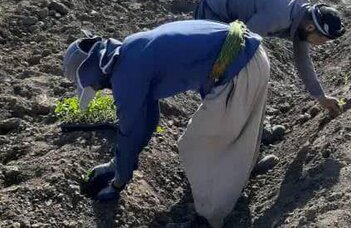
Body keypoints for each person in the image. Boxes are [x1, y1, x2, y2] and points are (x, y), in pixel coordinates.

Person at [64, 20, 269, 227]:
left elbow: (129, 131)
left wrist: (117, 183)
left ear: (95, 74)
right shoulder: (133, 48)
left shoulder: (126, 76)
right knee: (227, 136)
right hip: (249, 56)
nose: (98, 89)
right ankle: (233, 184)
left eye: (93, 85)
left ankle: (208, 220)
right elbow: (148, 120)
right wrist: (119, 164)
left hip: (240, 67)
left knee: (199, 145)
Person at [193, 0, 345, 114]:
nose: (322, 44)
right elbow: (239, 41)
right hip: (215, 5)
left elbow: (302, 60)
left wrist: (321, 97)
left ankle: (226, 111)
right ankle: (213, 112)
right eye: (323, 40)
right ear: (311, 27)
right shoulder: (280, 15)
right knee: (221, 64)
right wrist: (218, 74)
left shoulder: (303, 17)